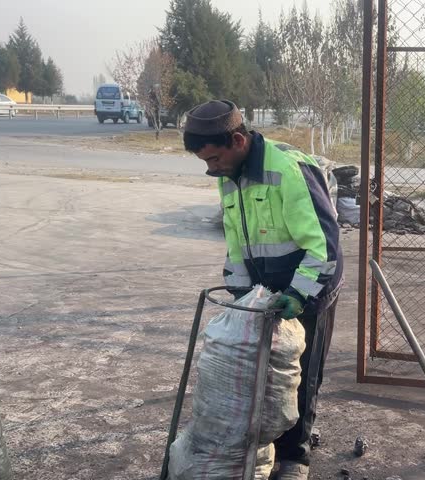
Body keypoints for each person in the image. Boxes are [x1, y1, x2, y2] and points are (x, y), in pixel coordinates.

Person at [183, 100, 343, 480]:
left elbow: (324, 245)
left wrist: (300, 295)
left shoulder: (288, 170)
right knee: (259, 375)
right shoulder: (229, 175)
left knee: (299, 374)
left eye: (214, 158)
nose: (211, 168)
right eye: (205, 161)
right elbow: (236, 242)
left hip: (306, 289)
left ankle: (295, 458)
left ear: (238, 140)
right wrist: (241, 299)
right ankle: (263, 444)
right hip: (262, 292)